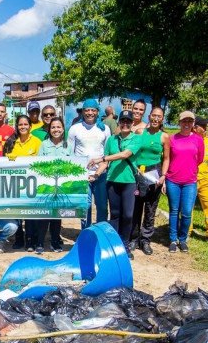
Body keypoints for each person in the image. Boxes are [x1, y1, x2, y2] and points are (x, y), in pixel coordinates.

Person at [96, 110, 146, 258]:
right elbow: (107, 163)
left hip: (129, 182)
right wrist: (96, 173)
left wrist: (102, 158)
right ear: (119, 122)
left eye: (128, 121)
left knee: (128, 215)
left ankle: (125, 243)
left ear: (132, 124)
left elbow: (125, 155)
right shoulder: (111, 140)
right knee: (115, 214)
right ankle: (115, 244)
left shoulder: (137, 139)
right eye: (123, 121)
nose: (125, 124)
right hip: (112, 182)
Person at [159, 110, 204, 253]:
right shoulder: (172, 139)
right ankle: (173, 239)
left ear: (193, 123)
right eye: (184, 121)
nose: (187, 124)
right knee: (174, 211)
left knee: (186, 212)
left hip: (190, 181)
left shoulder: (198, 140)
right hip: (173, 180)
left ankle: (183, 239)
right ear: (179, 122)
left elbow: (200, 159)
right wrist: (165, 178)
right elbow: (166, 159)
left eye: (190, 121)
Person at [128, 105, 164, 255]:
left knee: (150, 208)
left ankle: (146, 240)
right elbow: (132, 153)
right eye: (153, 115)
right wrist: (135, 168)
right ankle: (133, 239)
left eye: (159, 116)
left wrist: (164, 176)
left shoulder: (164, 137)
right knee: (136, 207)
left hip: (155, 174)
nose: (155, 118)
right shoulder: (140, 132)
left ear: (162, 119)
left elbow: (167, 158)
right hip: (139, 172)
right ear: (149, 116)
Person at [68, 98, 109, 228]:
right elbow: (70, 153)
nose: (90, 113)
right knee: (85, 207)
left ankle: (101, 231)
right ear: (83, 112)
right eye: (87, 110)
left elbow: (108, 154)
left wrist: (99, 172)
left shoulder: (105, 129)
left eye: (93, 110)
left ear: (97, 111)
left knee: (102, 206)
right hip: (82, 175)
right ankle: (86, 232)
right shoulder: (75, 129)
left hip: (101, 174)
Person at [5, 115, 42, 250]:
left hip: (32, 183)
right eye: (20, 125)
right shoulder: (11, 142)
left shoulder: (37, 142)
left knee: (31, 213)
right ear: (17, 126)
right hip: (15, 183)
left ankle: (31, 241)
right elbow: (5, 163)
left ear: (30, 126)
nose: (23, 127)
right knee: (17, 213)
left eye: (26, 124)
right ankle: (18, 239)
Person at [36, 116, 72, 252]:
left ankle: (55, 241)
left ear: (63, 129)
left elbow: (73, 164)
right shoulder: (44, 145)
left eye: (58, 127)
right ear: (49, 130)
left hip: (61, 186)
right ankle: (40, 243)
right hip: (47, 186)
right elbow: (38, 165)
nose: (56, 129)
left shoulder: (68, 145)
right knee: (44, 215)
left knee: (57, 216)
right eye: (53, 127)